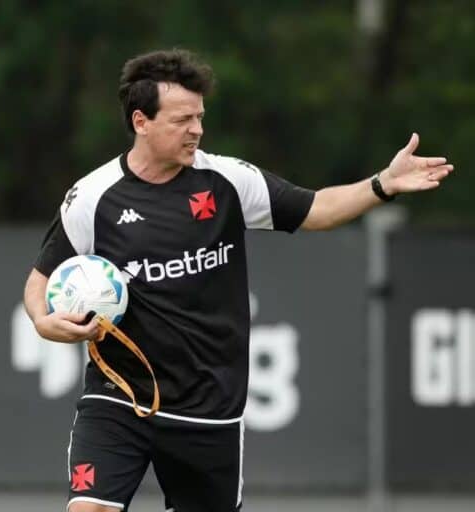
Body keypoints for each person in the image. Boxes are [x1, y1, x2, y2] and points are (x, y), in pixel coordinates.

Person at [23, 48, 452, 512]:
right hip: (119, 397)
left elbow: (318, 211)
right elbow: (39, 281)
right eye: (182, 119)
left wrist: (382, 184)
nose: (197, 130)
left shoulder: (227, 181)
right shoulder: (92, 198)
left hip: (209, 409)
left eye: (200, 117)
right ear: (141, 121)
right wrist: (43, 321)